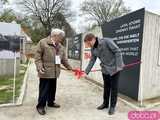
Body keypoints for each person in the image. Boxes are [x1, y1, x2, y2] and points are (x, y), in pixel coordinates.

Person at [84, 33, 124, 115]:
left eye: (88, 43)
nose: (88, 46)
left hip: (114, 69)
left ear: (92, 39)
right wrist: (86, 71)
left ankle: (112, 106)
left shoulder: (106, 41)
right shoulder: (93, 48)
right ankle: (105, 104)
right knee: (106, 87)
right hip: (105, 70)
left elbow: (117, 51)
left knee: (114, 88)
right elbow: (92, 60)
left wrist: (119, 66)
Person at [34, 28, 72, 115]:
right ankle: (40, 106)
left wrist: (70, 67)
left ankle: (51, 102)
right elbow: (37, 57)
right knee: (44, 90)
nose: (62, 39)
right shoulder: (43, 43)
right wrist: (39, 67)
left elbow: (64, 60)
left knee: (52, 89)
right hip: (45, 72)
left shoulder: (61, 46)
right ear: (55, 36)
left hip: (55, 72)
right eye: (61, 37)